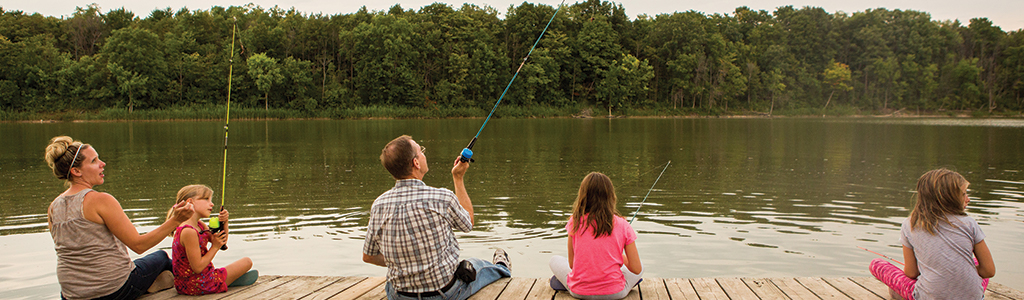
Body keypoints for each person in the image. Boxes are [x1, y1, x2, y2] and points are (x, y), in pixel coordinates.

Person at [362, 135, 511, 300]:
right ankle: (502, 267)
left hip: (400, 296)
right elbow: (468, 223)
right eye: (421, 151)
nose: (424, 154)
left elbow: (368, 256)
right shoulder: (442, 197)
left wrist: (403, 261)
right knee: (477, 266)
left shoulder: (379, 205)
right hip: (444, 294)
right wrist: (458, 177)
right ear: (416, 163)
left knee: (390, 283)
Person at [45, 136, 194, 300]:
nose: (103, 164)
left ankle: (153, 284)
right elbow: (139, 245)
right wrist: (175, 220)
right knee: (162, 257)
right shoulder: (100, 200)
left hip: (71, 296)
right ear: (76, 171)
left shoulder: (54, 206)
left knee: (139, 264)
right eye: (94, 161)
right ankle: (199, 283)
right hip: (113, 291)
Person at [869, 168, 996, 300]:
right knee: (974, 262)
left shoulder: (910, 224)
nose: (968, 199)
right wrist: (957, 273)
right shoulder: (969, 223)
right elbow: (989, 271)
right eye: (964, 194)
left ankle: (897, 293)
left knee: (877, 264)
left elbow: (911, 273)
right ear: (949, 198)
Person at [549, 172, 643, 300]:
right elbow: (636, 269)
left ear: (583, 196)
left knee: (554, 260)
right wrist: (617, 255)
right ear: (610, 196)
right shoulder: (623, 224)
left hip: (579, 292)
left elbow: (572, 264)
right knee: (641, 266)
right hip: (615, 293)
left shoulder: (574, 222)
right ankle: (624, 283)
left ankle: (566, 282)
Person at [168, 184, 257, 295]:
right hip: (196, 284)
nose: (212, 204)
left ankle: (226, 279)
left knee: (244, 263)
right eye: (206, 199)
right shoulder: (188, 231)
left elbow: (222, 242)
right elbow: (198, 267)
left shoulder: (199, 225)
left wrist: (224, 223)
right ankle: (226, 281)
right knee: (247, 262)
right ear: (190, 202)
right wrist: (214, 247)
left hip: (190, 282)